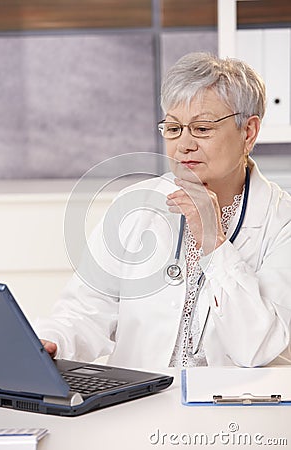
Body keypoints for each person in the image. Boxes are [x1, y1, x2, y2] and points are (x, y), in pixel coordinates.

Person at [36, 52, 291, 368]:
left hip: (232, 411)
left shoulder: (282, 222)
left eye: (201, 129)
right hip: (138, 404)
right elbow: (85, 310)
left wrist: (213, 242)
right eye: (172, 129)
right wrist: (53, 342)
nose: (183, 145)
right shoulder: (136, 206)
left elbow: (258, 348)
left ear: (248, 132)